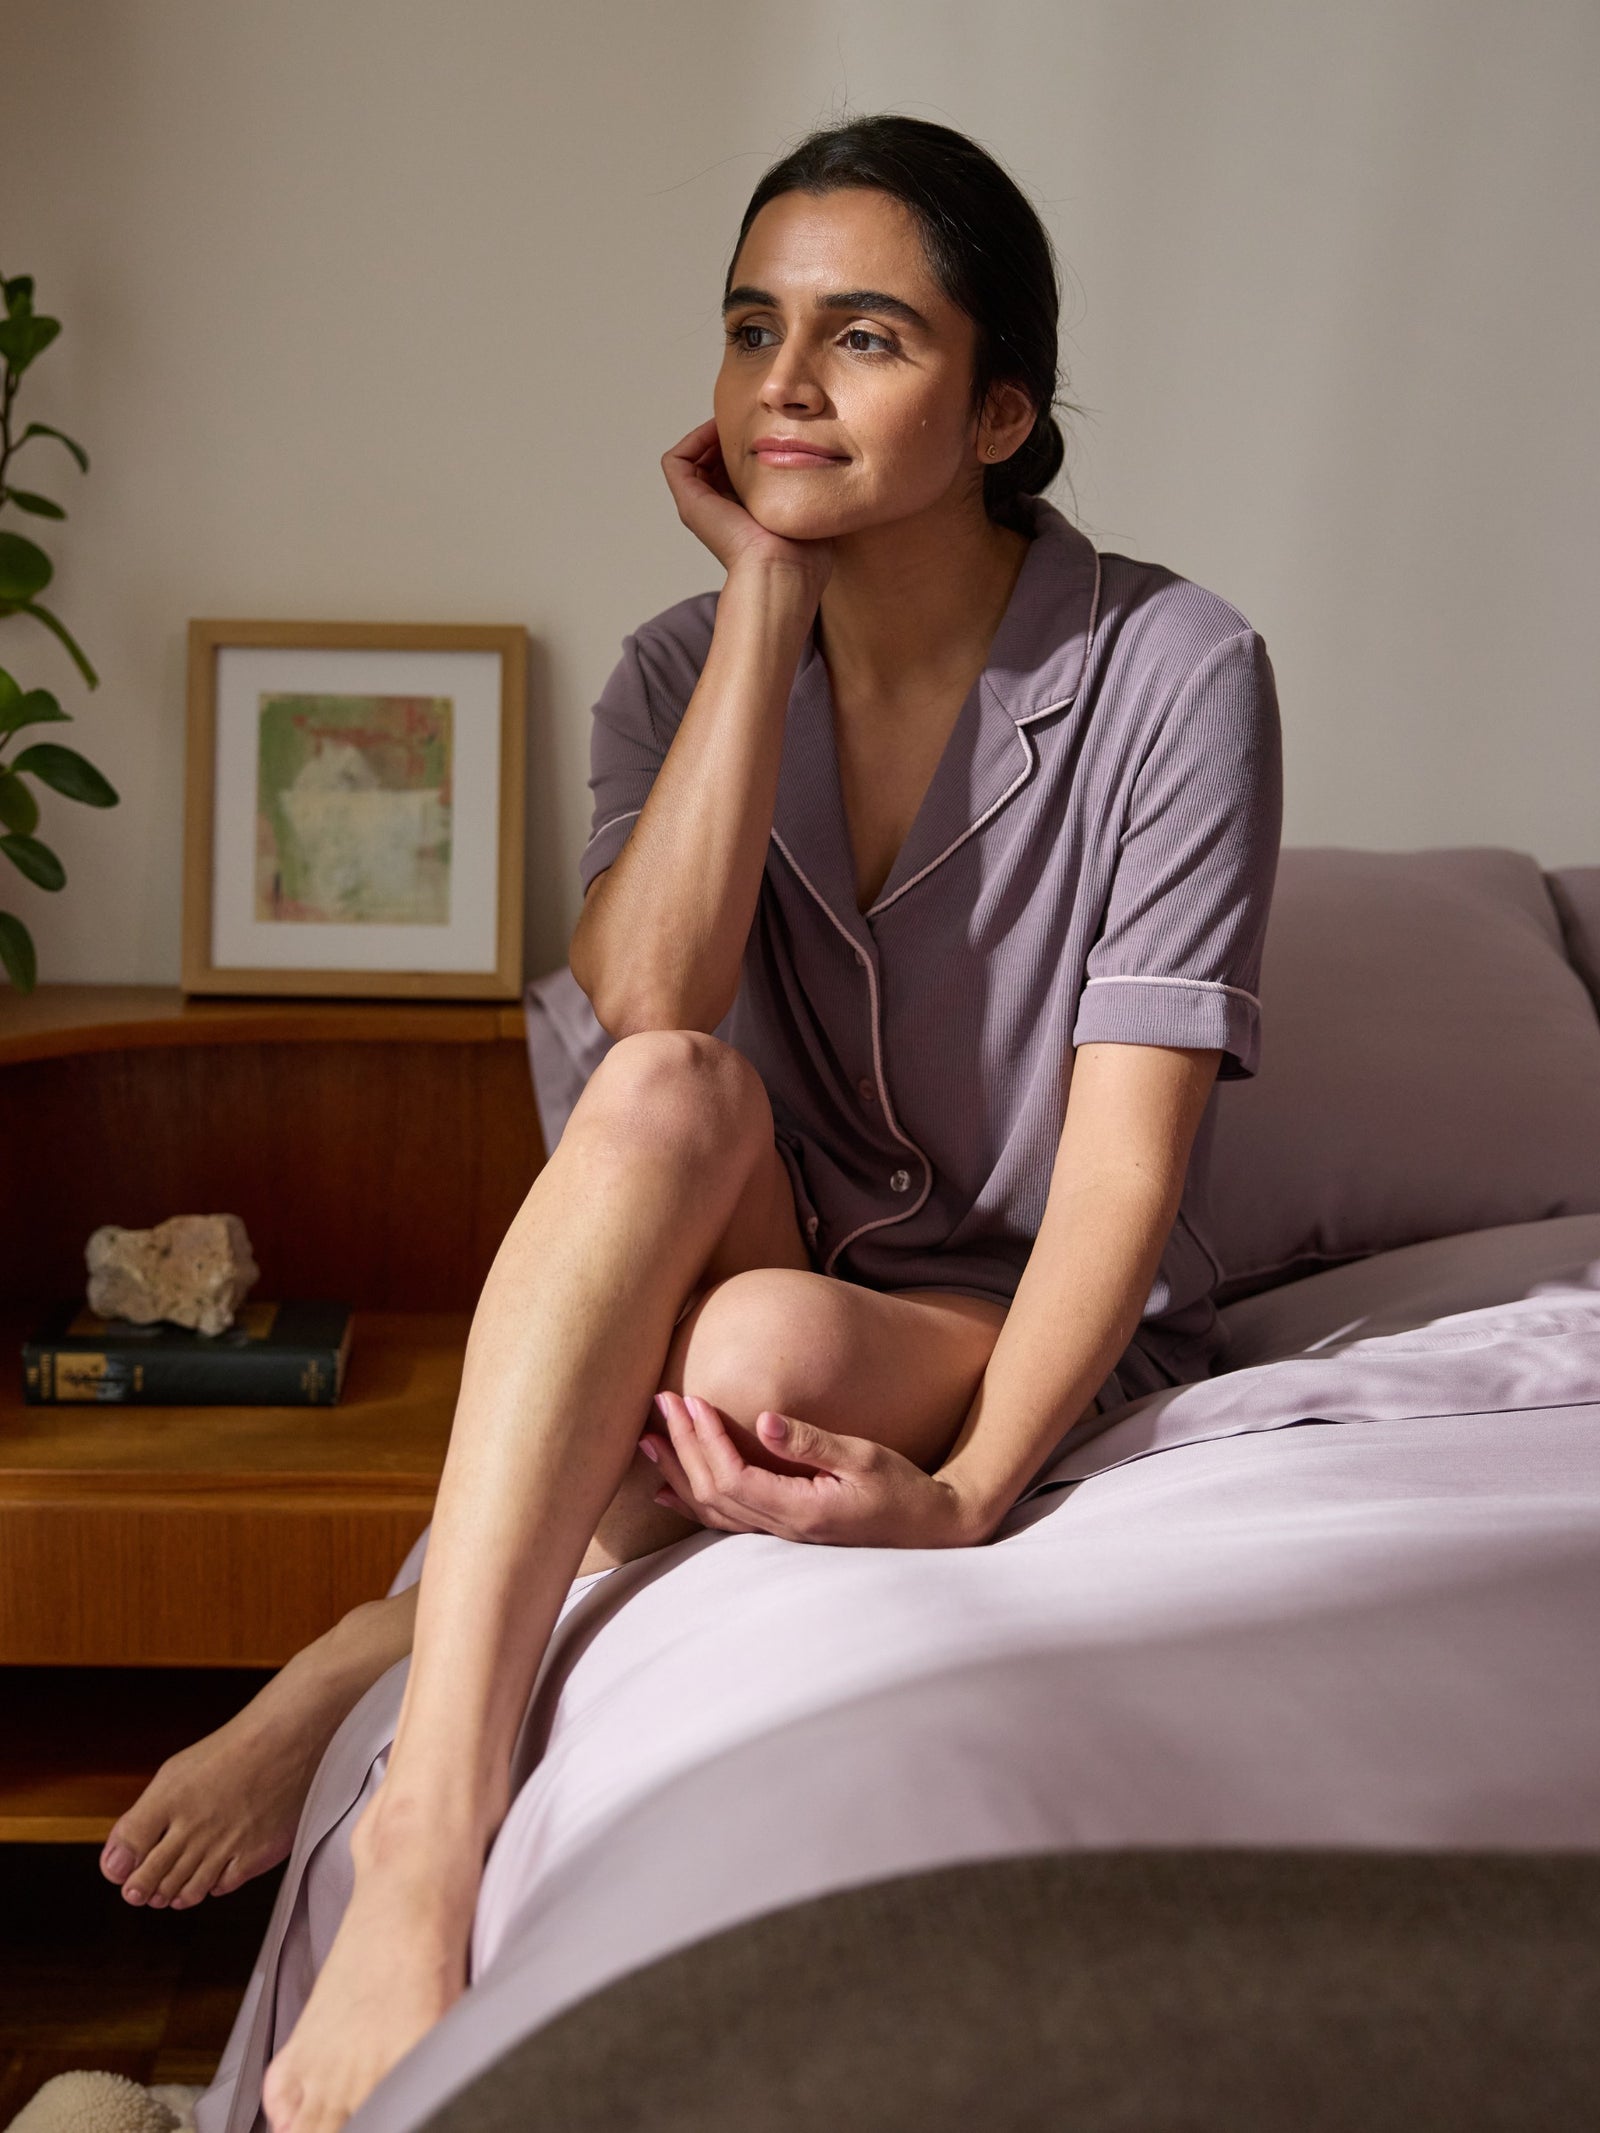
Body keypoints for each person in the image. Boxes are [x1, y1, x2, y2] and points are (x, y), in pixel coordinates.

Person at [100, 112, 1282, 2133]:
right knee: (668, 1106)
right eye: (752, 327)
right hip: (748, 1245)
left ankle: (349, 1656)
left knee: (745, 1350)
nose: (783, 383)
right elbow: (647, 1014)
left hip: (1006, 1318)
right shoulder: (673, 669)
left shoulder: (1173, 669)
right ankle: (424, 1836)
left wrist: (973, 1483)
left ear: (1001, 408)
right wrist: (757, 610)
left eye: (867, 337)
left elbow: (1121, 1167)